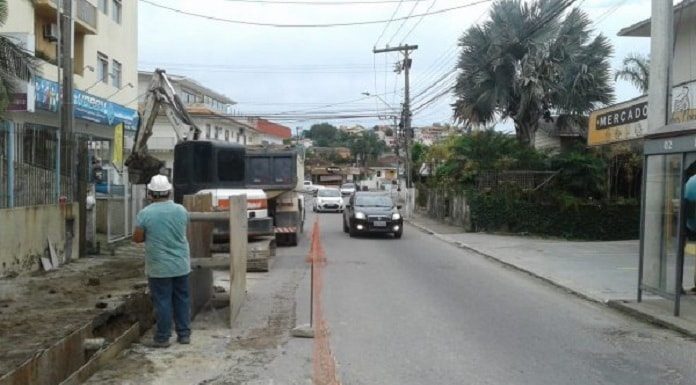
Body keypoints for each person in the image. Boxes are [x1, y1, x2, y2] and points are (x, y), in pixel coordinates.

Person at [133, 175, 192, 348]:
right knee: (182, 299)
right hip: (181, 264)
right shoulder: (181, 210)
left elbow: (137, 238)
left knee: (163, 301)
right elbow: (182, 229)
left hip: (159, 267)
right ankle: (184, 335)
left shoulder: (145, 213)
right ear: (169, 191)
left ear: (150, 193)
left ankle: (163, 338)